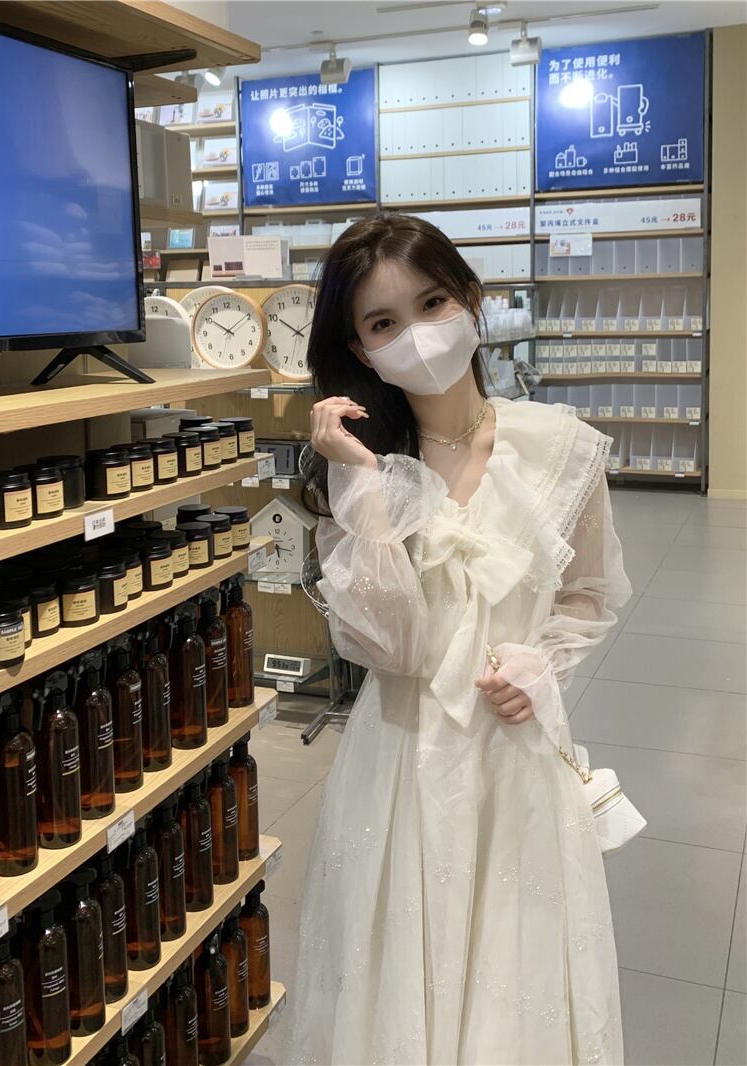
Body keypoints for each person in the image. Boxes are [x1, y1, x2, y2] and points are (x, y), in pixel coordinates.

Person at [282, 213, 633, 1066]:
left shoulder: (560, 448)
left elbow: (590, 593)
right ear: (361, 351)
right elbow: (391, 647)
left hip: (515, 755)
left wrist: (544, 664)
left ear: (472, 300)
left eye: (432, 303)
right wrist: (360, 482)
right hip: (401, 759)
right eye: (383, 322)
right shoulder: (361, 469)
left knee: (515, 977)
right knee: (397, 983)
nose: (417, 334)